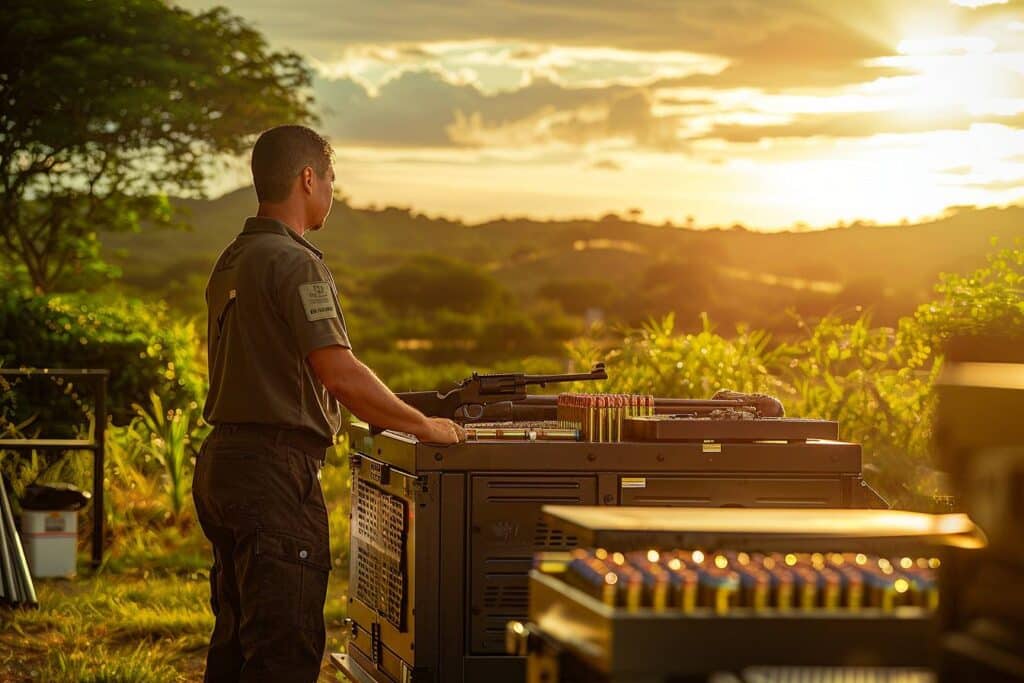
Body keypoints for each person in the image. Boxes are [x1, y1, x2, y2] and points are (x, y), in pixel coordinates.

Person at [193, 124, 465, 682]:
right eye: (332, 179)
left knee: (236, 643)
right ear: (308, 178)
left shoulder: (232, 257)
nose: (333, 194)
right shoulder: (295, 262)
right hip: (273, 474)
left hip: (223, 464)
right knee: (282, 652)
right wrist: (424, 427)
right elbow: (339, 373)